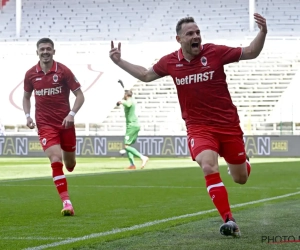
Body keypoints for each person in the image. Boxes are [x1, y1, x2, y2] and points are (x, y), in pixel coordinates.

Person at [109, 13, 267, 237]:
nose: (196, 36)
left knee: (240, 178)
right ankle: (229, 220)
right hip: (199, 128)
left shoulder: (215, 52)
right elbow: (145, 75)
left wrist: (263, 32)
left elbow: (251, 52)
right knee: (208, 166)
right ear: (179, 39)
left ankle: (242, 162)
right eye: (190, 34)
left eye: (198, 32)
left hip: (228, 126)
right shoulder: (170, 62)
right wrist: (119, 62)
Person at [22, 38, 85, 216]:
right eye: (42, 49)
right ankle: (67, 203)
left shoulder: (63, 71)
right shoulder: (30, 74)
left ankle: (69, 164)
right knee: (55, 158)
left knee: (70, 164)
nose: (45, 51)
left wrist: (71, 114)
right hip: (45, 125)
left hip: (66, 123)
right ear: (37, 52)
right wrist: (27, 116)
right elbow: (26, 97)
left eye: (48, 49)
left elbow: (80, 95)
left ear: (53, 51)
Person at [116, 84, 149, 169]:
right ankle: (132, 164)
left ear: (126, 95)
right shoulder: (131, 99)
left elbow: (128, 104)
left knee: (126, 146)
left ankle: (143, 157)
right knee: (128, 146)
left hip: (132, 125)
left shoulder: (129, 100)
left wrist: (121, 102)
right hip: (134, 125)